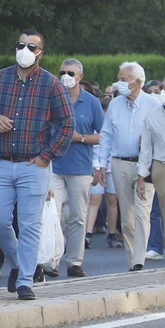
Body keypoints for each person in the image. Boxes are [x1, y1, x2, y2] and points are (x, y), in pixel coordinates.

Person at [0, 31, 73, 299]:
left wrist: (46, 156)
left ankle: (25, 280)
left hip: (34, 165)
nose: (24, 50)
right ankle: (20, 262)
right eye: (20, 45)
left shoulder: (51, 84)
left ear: (41, 52)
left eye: (31, 46)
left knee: (30, 224)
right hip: (2, 163)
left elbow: (66, 124)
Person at [98, 60, 158, 272]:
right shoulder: (115, 104)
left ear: (138, 82)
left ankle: (139, 260)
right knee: (127, 215)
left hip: (145, 165)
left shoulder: (153, 104)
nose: (118, 83)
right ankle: (133, 261)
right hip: (120, 163)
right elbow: (106, 134)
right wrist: (102, 164)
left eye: (123, 79)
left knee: (142, 213)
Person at [52, 59, 103, 278]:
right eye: (62, 72)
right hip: (53, 165)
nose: (66, 76)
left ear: (80, 76)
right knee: (52, 214)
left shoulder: (91, 103)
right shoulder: (52, 100)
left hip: (80, 168)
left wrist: (80, 138)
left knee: (78, 217)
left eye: (70, 72)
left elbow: (103, 135)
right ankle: (51, 260)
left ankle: (74, 261)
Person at [137, 71, 165, 269]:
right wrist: (142, 176)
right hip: (162, 168)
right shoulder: (152, 115)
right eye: (162, 88)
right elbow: (146, 149)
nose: (164, 92)